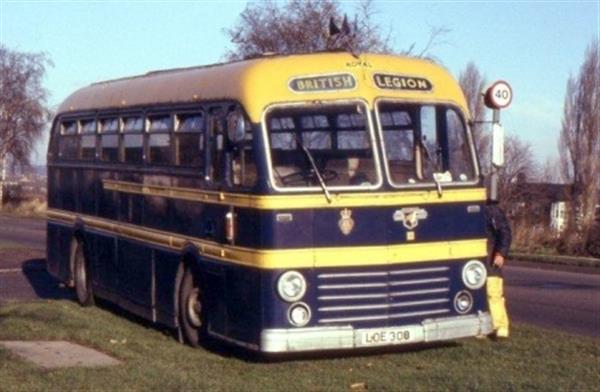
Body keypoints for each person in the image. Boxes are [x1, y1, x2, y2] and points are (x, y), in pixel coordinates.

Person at [484, 200, 512, 338]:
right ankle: (484, 326)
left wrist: (501, 253)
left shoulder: (492, 210)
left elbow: (505, 232)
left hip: (491, 258)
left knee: (493, 292)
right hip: (478, 259)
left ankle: (501, 327)